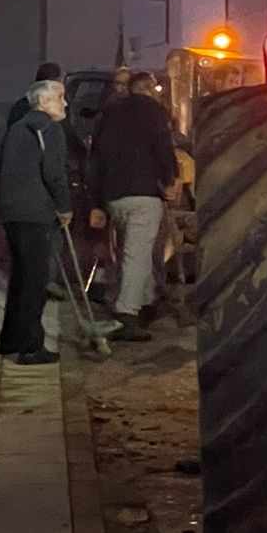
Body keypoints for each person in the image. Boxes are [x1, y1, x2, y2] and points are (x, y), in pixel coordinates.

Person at [87, 71, 178, 343]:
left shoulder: (109, 114)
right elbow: (162, 145)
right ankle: (127, 314)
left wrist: (97, 202)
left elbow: (95, 159)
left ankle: (147, 301)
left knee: (132, 250)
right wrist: (170, 177)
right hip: (143, 192)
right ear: (150, 89)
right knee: (138, 254)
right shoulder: (154, 112)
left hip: (115, 195)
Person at [0, 78, 72, 366]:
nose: (65, 103)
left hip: (13, 211)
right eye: (60, 97)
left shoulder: (17, 127)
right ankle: (30, 345)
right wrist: (64, 206)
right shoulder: (50, 129)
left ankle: (10, 339)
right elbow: (54, 173)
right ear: (43, 102)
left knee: (20, 276)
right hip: (36, 212)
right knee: (35, 282)